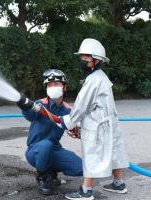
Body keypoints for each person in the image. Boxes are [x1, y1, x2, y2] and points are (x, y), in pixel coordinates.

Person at [60, 38, 129, 200]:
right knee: (113, 152)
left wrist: (68, 123)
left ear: (96, 60)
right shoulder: (101, 77)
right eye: (81, 57)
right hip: (109, 123)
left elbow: (81, 107)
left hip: (98, 125)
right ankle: (118, 183)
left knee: (92, 155)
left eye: (86, 57)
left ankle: (86, 191)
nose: (82, 60)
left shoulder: (93, 80)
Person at [17, 69, 83, 195]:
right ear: (46, 88)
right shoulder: (39, 104)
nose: (53, 87)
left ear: (64, 87)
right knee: (45, 145)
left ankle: (52, 172)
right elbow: (30, 116)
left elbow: (76, 129)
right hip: (35, 150)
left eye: (56, 84)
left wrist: (79, 130)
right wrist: (24, 106)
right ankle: (43, 177)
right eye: (49, 85)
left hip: (54, 149)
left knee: (81, 168)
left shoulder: (68, 110)